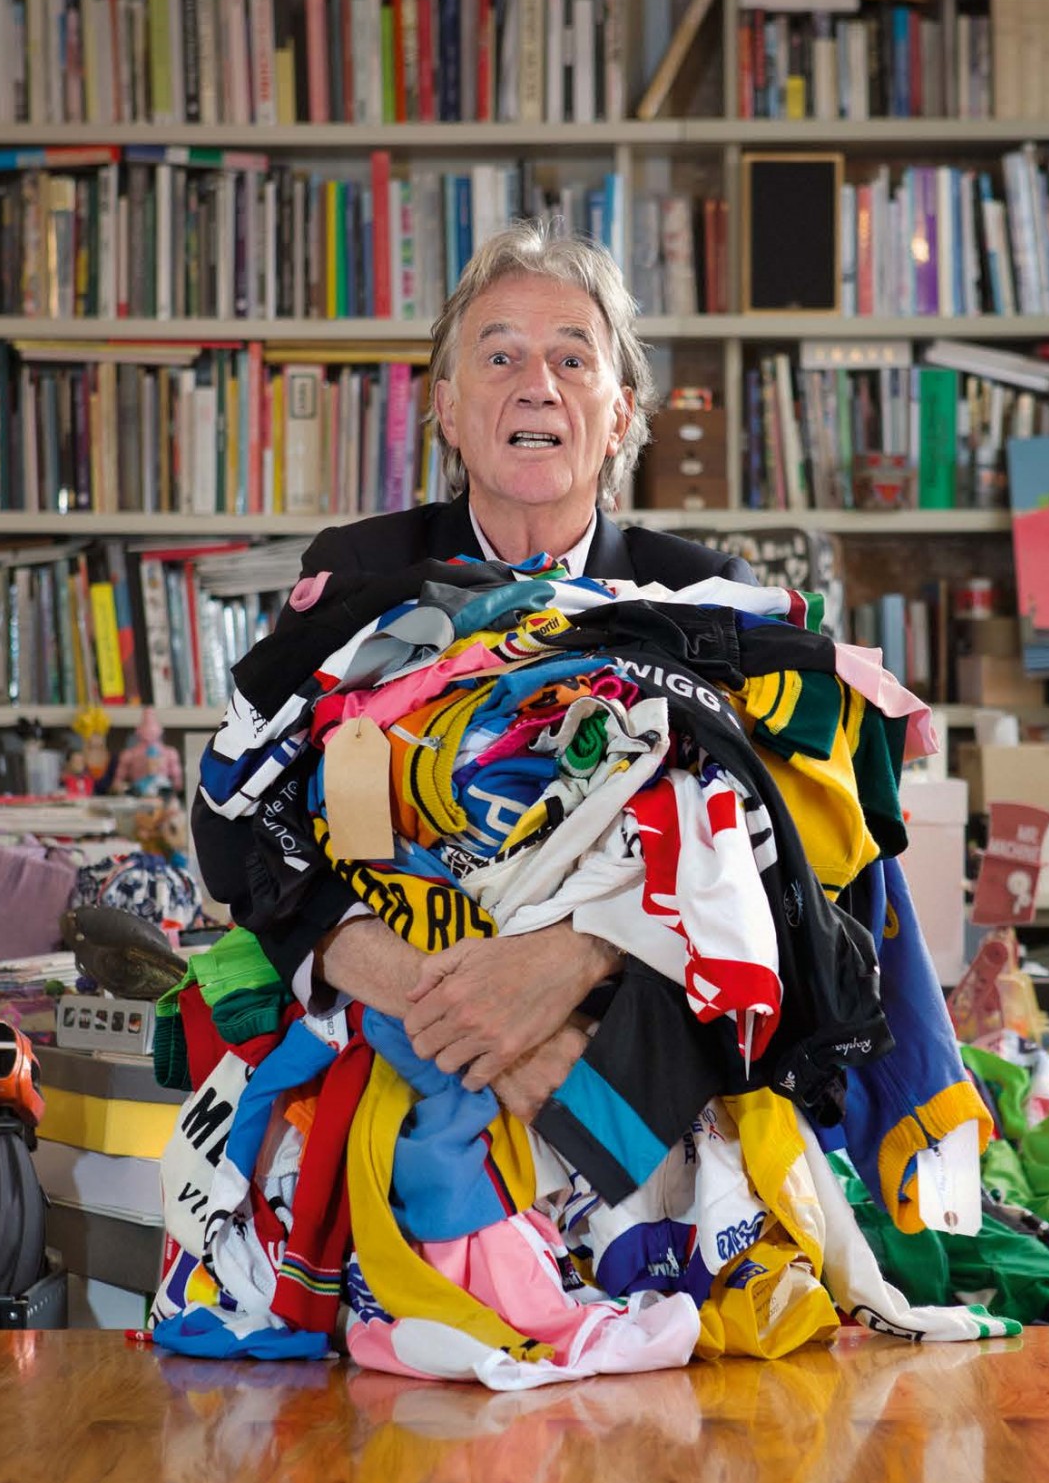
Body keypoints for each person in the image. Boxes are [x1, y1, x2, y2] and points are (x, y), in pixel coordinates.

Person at [193, 219, 758, 1124]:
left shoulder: (705, 597)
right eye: (500, 358)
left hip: (617, 1059)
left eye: (571, 359)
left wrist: (576, 957)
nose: (537, 385)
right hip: (387, 1049)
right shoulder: (360, 572)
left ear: (619, 415)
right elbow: (241, 826)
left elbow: (761, 863)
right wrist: (449, 1009)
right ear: (449, 412)